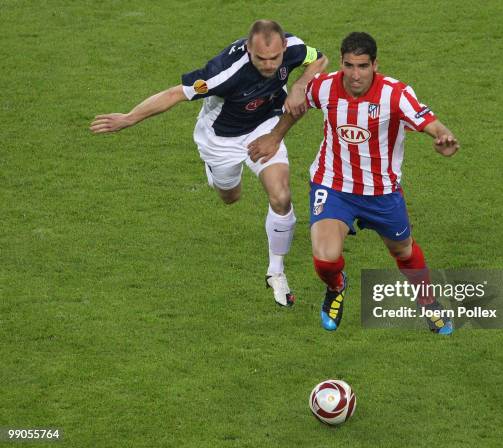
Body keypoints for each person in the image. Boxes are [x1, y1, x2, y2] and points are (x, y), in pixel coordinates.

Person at [90, 20, 328, 307]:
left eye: (275, 58)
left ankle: (276, 271)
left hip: (264, 126)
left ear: (283, 49)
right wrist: (129, 117)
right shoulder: (223, 73)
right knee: (230, 196)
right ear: (248, 50)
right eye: (260, 58)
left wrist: (301, 84)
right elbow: (174, 94)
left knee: (281, 195)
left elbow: (320, 58)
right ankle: (216, 175)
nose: (268, 65)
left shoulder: (294, 48)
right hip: (221, 140)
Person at [247, 32, 459, 332]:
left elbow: (431, 123)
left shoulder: (394, 94)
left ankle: (426, 301)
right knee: (324, 257)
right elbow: (298, 107)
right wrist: (275, 135)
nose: (355, 75)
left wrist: (443, 138)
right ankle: (336, 287)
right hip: (333, 185)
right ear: (342, 63)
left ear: (375, 64)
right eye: (349, 65)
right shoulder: (324, 86)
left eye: (362, 66)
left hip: (381, 192)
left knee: (403, 252)